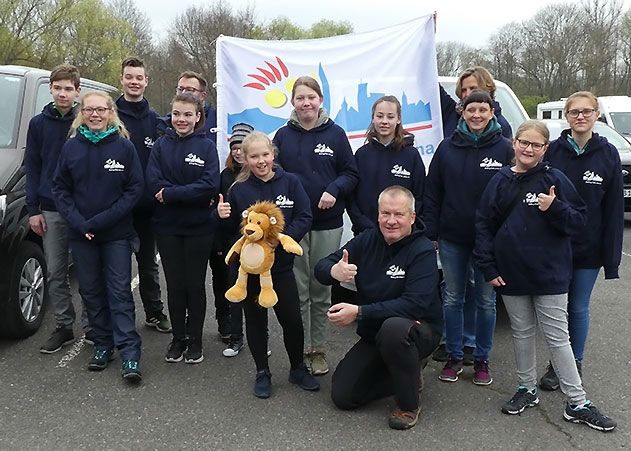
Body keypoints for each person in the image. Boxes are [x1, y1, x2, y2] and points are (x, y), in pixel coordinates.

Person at [474, 119, 616, 432]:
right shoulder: (499, 181)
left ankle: (577, 402)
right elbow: (483, 225)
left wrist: (554, 207)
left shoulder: (556, 179)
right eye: (524, 142)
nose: (528, 149)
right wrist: (488, 266)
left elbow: (579, 221)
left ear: (544, 149)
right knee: (522, 332)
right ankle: (527, 389)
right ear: (514, 143)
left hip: (550, 274)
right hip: (511, 274)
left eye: (536, 145)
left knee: (557, 337)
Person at [315, 186, 442, 430]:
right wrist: (333, 271)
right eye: (385, 213)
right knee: (343, 396)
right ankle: (408, 371)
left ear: (412, 217)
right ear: (378, 215)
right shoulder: (368, 239)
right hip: (376, 333)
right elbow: (322, 266)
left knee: (394, 328)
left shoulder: (423, 250)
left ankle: (408, 404)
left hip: (418, 330)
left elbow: (413, 304)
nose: (391, 221)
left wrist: (359, 312)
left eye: (399, 214)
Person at [217, 131, 319, 398]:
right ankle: (262, 372)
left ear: (273, 155)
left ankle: (297, 368)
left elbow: (305, 216)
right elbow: (231, 231)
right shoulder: (238, 190)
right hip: (251, 272)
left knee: (292, 321)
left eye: (265, 155)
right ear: (245, 159)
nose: (261, 161)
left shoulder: (292, 183)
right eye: (254, 156)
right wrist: (220, 216)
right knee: (256, 321)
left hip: (282, 269)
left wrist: (279, 240)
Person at [52, 91, 144, 382]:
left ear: (110, 112)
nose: (95, 114)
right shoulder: (71, 148)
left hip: (115, 233)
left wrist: (101, 221)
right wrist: (79, 222)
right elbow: (60, 189)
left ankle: (130, 354)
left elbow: (134, 189)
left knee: (118, 292)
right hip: (82, 234)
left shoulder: (124, 147)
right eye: (89, 110)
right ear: (82, 112)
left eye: (100, 110)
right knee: (90, 291)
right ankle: (103, 345)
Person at [423, 89, 513, 385]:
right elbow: (432, 192)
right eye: (471, 109)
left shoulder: (504, 149)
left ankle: (482, 359)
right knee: (452, 297)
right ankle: (454, 355)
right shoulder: (447, 148)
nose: (476, 115)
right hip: (452, 238)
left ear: (491, 113)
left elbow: (514, 194)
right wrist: (432, 231)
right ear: (462, 112)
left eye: (482, 110)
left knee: (486, 302)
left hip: (491, 242)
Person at [273, 76, 359, 376]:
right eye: (300, 98)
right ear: (293, 102)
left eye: (311, 97)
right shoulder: (282, 136)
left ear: (320, 99)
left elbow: (351, 173)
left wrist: (334, 189)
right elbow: (273, 173)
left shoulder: (335, 134)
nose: (306, 103)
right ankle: (300, 349)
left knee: (321, 288)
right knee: (298, 290)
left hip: (327, 223)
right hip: (294, 225)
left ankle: (318, 349)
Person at [541, 92, 623, 391]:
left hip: (588, 248)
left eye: (587, 111)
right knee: (555, 310)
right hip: (555, 245)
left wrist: (610, 257)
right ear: (566, 116)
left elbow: (614, 209)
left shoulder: (608, 153)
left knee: (577, 308)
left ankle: (573, 363)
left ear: (596, 114)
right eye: (574, 112)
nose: (580, 116)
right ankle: (556, 362)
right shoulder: (553, 152)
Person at [146, 93, 220, 364]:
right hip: (167, 227)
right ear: (171, 115)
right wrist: (186, 193)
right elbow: (152, 182)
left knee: (194, 285)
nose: (181, 119)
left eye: (188, 114)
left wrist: (172, 194)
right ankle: (178, 338)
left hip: (199, 228)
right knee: (175, 286)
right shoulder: (160, 146)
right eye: (177, 114)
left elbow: (209, 185)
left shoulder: (207, 147)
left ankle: (196, 341)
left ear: (198, 116)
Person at [25, 63, 91, 353]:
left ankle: (93, 326)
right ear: (50, 89)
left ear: (78, 92)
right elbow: (34, 167)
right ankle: (64, 326)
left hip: (83, 209)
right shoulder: (38, 124)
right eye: (58, 88)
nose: (63, 93)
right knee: (55, 271)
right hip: (50, 208)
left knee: (89, 270)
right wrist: (32, 209)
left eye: (69, 89)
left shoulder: (87, 122)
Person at [115, 56, 171, 333]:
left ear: (146, 81)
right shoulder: (109, 116)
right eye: (129, 77)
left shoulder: (155, 121)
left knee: (148, 266)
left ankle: (154, 312)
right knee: (118, 270)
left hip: (148, 210)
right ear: (121, 79)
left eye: (139, 77)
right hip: (117, 209)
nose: (134, 82)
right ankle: (120, 320)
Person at [348, 95, 425, 235]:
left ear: (398, 119)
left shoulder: (411, 155)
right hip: (365, 233)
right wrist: (363, 224)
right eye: (380, 116)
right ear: (373, 118)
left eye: (390, 117)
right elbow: (351, 197)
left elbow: (419, 196)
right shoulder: (361, 155)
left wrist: (403, 225)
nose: (384, 121)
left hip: (400, 235)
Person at [216, 122, 252, 357]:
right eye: (235, 147)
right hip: (234, 245)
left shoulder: (259, 175)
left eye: (242, 147)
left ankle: (261, 336)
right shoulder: (225, 176)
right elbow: (221, 214)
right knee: (235, 291)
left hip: (258, 247)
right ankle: (235, 337)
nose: (238, 152)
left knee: (258, 295)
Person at [159, 70, 217, 143]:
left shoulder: (217, 121)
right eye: (180, 89)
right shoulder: (166, 124)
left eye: (190, 90)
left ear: (203, 95)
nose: (183, 93)